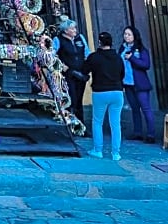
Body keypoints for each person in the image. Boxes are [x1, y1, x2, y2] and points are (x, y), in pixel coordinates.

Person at [82, 31, 125, 161]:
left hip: (100, 92)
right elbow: (122, 74)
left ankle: (97, 150)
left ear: (99, 43)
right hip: (117, 92)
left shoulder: (94, 57)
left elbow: (84, 71)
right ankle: (116, 153)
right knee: (116, 123)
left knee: (97, 122)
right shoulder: (118, 57)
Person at [119, 25, 156, 143]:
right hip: (127, 83)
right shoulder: (122, 48)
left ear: (135, 36)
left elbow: (146, 65)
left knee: (146, 109)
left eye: (129, 34)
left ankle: (151, 134)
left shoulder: (141, 49)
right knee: (134, 109)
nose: (126, 36)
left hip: (140, 84)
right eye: (125, 34)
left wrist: (132, 58)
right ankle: (137, 132)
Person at [54, 18, 90, 124]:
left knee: (79, 100)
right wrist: (61, 65)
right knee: (71, 100)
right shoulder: (58, 39)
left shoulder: (80, 38)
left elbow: (87, 53)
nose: (75, 30)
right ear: (66, 30)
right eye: (72, 28)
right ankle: (70, 123)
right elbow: (51, 56)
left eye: (75, 28)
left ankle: (80, 125)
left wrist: (87, 68)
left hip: (81, 74)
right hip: (68, 75)